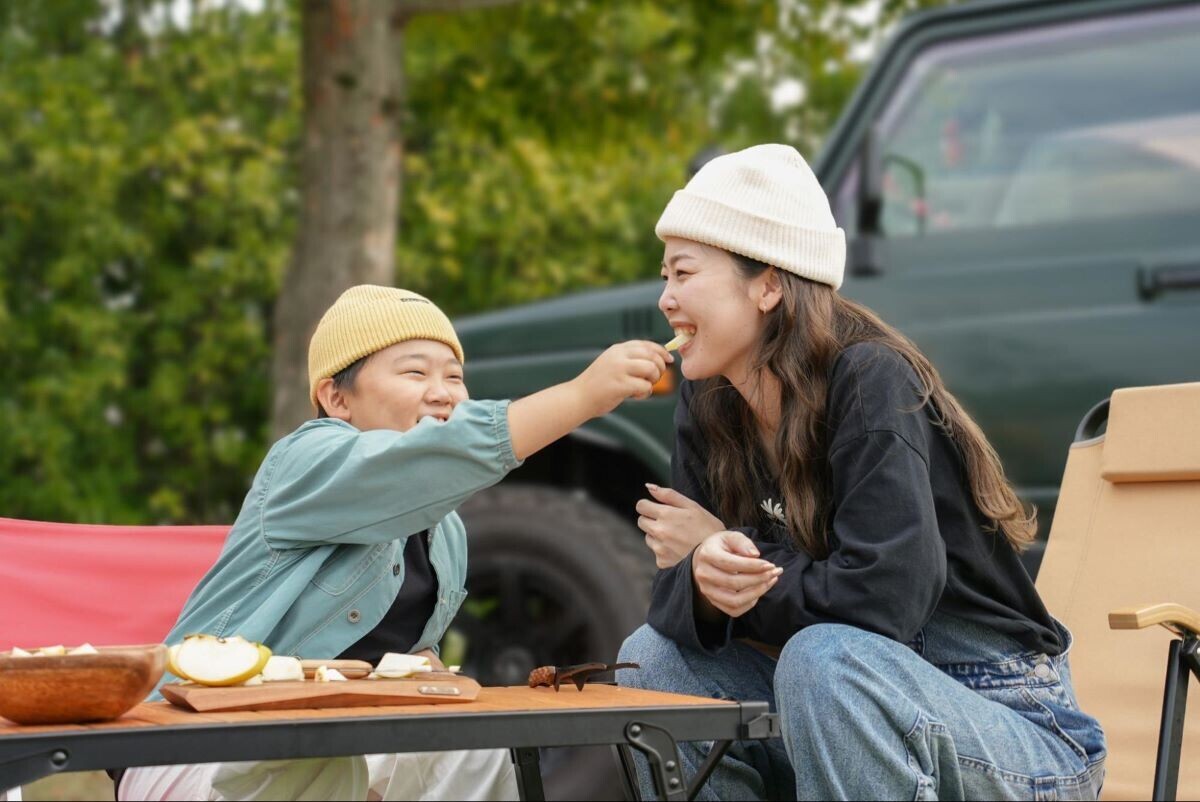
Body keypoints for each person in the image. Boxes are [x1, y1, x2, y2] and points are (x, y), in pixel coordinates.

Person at [617, 144, 1106, 800]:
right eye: (665, 277)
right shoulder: (709, 400)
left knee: (826, 662)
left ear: (767, 282)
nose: (665, 299)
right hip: (843, 714)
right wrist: (704, 579)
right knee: (649, 660)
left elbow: (884, 603)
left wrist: (736, 566)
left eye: (683, 273)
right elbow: (672, 601)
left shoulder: (870, 380)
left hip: (1007, 721)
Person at [119, 285, 671, 801]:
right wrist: (581, 396)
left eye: (454, 377)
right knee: (320, 758)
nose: (442, 392)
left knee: (472, 752)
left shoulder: (444, 529)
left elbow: (400, 660)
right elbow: (431, 461)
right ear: (336, 397)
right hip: (195, 743)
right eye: (415, 372)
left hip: (339, 738)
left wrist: (421, 666)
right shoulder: (303, 463)